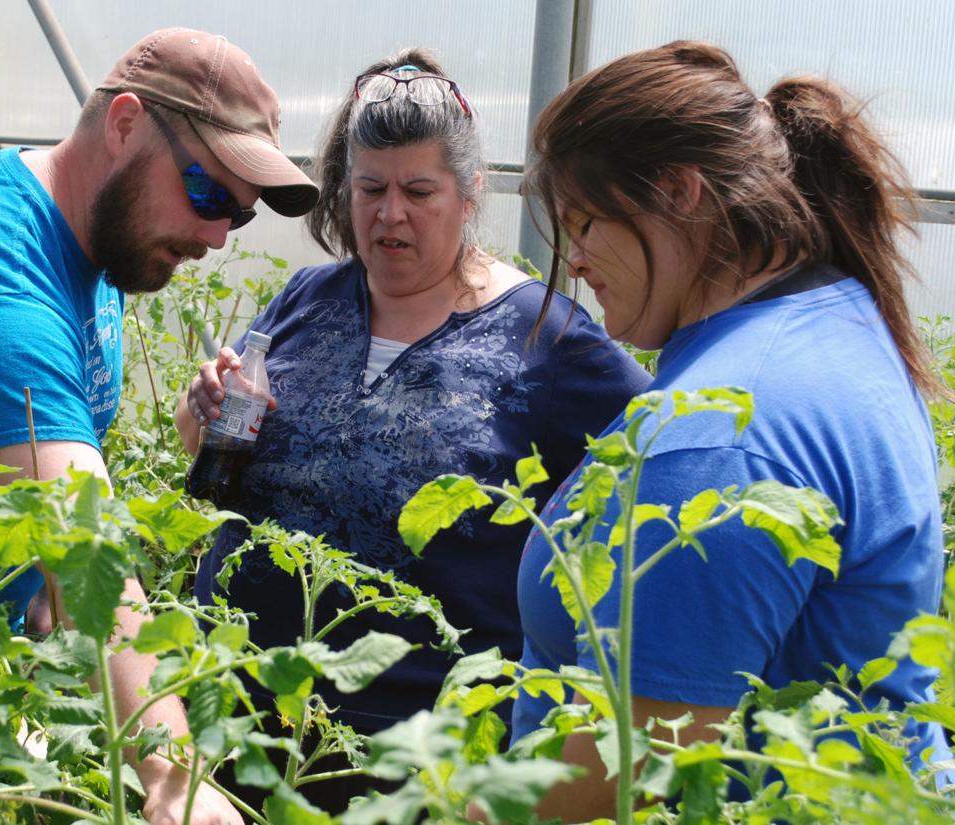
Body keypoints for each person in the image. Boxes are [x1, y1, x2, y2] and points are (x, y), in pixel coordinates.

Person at [0, 27, 319, 825]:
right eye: (208, 195)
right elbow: (84, 541)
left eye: (237, 220)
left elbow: (45, 488)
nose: (215, 238)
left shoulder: (87, 243)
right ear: (126, 125)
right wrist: (176, 777)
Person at [175, 49, 650, 811]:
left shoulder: (546, 339)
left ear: (470, 195)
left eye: (418, 191)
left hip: (416, 765)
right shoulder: (309, 297)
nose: (388, 214)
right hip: (240, 729)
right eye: (369, 189)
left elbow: (660, 465)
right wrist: (203, 411)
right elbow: (210, 452)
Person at [512, 41, 949, 820]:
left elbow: (621, 770)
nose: (571, 259)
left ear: (680, 192)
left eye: (582, 222)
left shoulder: (715, 442)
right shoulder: (834, 318)